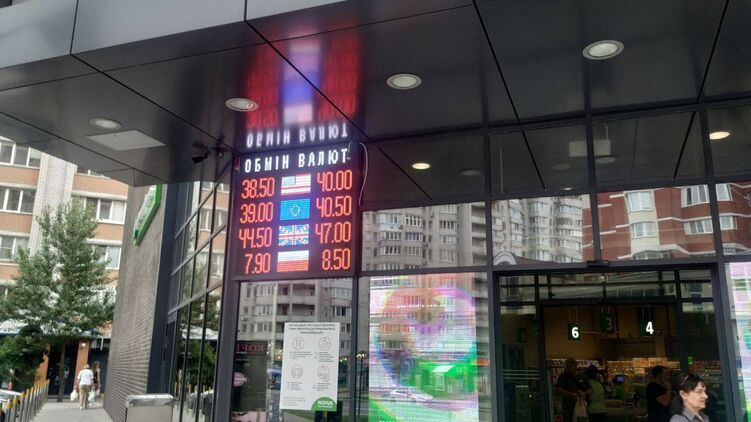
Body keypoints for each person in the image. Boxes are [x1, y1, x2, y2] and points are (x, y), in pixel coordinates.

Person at [555, 357, 591, 422]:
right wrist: (570, 394)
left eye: (569, 366)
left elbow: (590, 389)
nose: (567, 368)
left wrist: (585, 393)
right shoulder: (563, 376)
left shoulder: (583, 376)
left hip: (582, 407)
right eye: (566, 366)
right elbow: (558, 390)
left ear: (575, 365)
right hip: (568, 409)